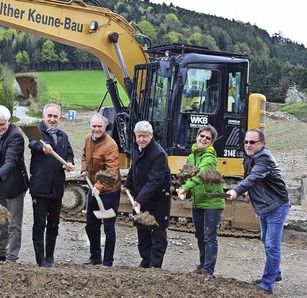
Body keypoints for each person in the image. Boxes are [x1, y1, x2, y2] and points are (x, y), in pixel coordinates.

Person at [226, 128, 290, 295]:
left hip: (276, 206)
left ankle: (267, 284)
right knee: (265, 240)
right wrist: (248, 190)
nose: (248, 145)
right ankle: (276, 273)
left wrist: (236, 190)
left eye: (252, 142)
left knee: (271, 245)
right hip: (264, 207)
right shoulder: (249, 158)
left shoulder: (264, 159)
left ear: (262, 144)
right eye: (246, 141)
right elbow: (251, 177)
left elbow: (254, 177)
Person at [27, 103, 75, 267]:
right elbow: (32, 144)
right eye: (49, 116)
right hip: (40, 188)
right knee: (40, 224)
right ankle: (40, 260)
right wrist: (42, 147)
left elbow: (69, 154)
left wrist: (68, 163)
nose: (52, 119)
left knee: (54, 224)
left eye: (55, 116)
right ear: (43, 117)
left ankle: (50, 257)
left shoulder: (63, 136)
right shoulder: (36, 133)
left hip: (56, 188)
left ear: (59, 118)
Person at [176, 125, 224, 281]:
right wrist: (183, 187)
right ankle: (203, 265)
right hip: (198, 202)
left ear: (211, 142)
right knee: (200, 235)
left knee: (210, 237)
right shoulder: (191, 156)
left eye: (207, 138)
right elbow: (187, 175)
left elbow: (200, 175)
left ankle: (208, 270)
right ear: (197, 137)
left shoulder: (209, 157)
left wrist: (185, 187)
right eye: (201, 136)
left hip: (212, 202)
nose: (203, 139)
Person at [0, 105, 29, 263]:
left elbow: (11, 161)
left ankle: (11, 258)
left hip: (14, 185)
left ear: (8, 121)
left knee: (14, 224)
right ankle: (0, 252)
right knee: (0, 220)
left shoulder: (16, 137)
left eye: (2, 125)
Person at [122, 121, 171, 269]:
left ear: (151, 135)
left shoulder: (159, 154)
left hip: (158, 200)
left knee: (157, 233)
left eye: (144, 136)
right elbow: (134, 168)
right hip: (141, 197)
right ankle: (145, 262)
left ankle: (155, 266)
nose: (141, 139)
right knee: (142, 232)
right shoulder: (137, 149)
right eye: (138, 136)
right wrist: (128, 184)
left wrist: (139, 200)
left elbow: (154, 181)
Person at [81, 113, 121, 267]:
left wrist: (99, 186)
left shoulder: (110, 145)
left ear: (105, 127)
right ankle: (95, 257)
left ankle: (108, 261)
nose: (96, 129)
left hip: (109, 191)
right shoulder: (87, 138)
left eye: (100, 126)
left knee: (109, 228)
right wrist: (84, 169)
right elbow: (84, 155)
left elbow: (111, 172)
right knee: (91, 225)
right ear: (90, 126)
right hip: (94, 188)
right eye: (94, 126)